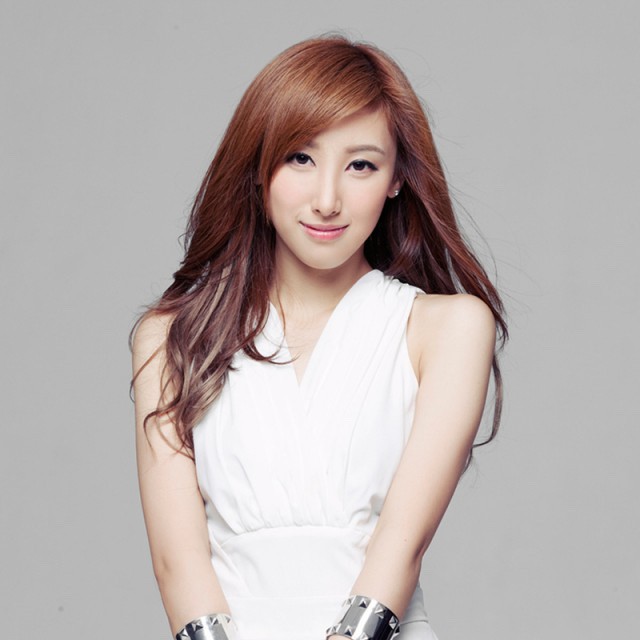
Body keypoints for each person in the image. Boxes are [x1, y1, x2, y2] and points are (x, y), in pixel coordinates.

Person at [130, 35, 507, 640]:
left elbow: (402, 546)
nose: (327, 200)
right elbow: (177, 562)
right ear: (258, 168)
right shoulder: (172, 336)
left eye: (361, 165)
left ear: (396, 179)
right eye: (300, 158)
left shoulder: (448, 327)